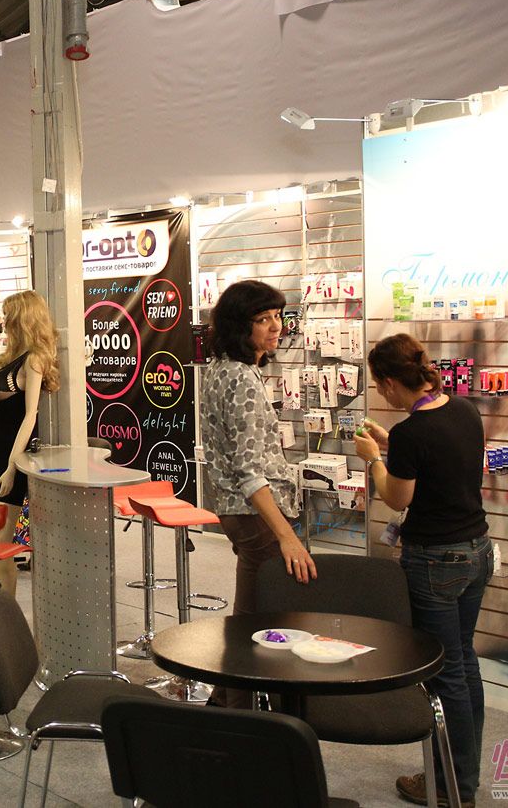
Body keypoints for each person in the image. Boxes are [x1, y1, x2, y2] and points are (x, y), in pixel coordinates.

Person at [355, 333, 491, 808]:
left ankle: (452, 786)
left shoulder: (413, 433)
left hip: (435, 560)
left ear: (391, 382)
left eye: (380, 385)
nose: (382, 394)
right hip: (477, 550)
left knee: (443, 674)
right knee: (464, 662)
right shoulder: (465, 410)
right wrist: (393, 445)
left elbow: (398, 497)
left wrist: (375, 459)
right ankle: (464, 776)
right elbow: (441, 460)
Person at [202, 280, 316, 707]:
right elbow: (250, 473)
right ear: (240, 326)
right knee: (263, 625)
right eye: (262, 319)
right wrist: (286, 536)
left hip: (240, 514)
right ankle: (239, 717)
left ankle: (223, 706)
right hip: (257, 517)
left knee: (249, 619)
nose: (275, 327)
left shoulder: (222, 369)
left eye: (277, 316)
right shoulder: (242, 379)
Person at [0, 291, 59, 596]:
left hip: (10, 454)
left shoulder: (34, 360)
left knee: (1, 542)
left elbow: (30, 416)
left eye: (7, 313)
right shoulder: (6, 358)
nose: (2, 319)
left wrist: (13, 467)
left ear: (22, 317)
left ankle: (4, 612)